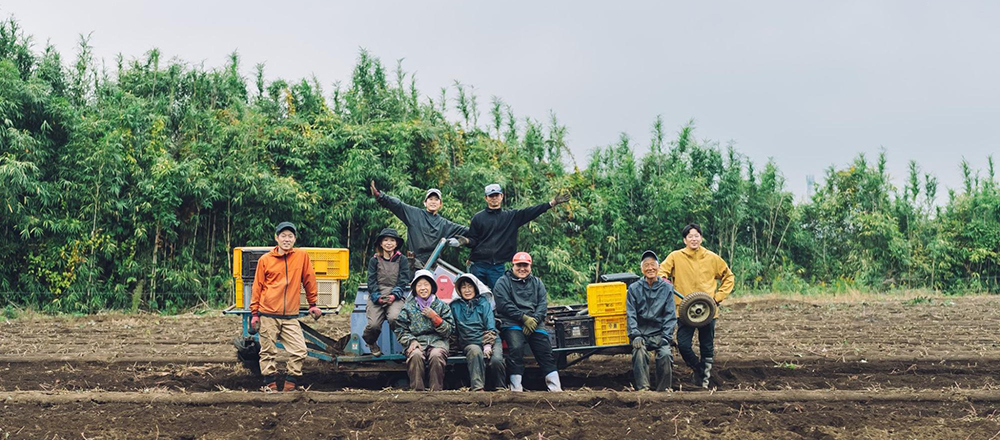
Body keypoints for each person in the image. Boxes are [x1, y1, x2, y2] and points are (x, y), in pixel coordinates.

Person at [658, 223, 734, 389]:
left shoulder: (712, 257)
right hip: (684, 311)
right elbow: (661, 272)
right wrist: (664, 280)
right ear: (685, 240)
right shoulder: (675, 256)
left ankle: (705, 380)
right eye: (690, 236)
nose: (694, 239)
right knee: (683, 344)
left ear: (701, 238)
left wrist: (718, 297)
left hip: (707, 310)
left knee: (707, 345)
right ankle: (698, 369)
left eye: (696, 235)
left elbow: (729, 277)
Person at [250, 221, 323, 392]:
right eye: (283, 236)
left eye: (290, 236)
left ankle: (290, 383)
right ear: (276, 238)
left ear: (294, 239)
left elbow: (309, 280)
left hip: (290, 316)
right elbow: (257, 287)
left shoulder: (301, 256)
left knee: (300, 350)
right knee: (268, 352)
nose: (287, 239)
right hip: (268, 313)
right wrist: (255, 313)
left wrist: (313, 304)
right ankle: (270, 385)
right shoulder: (265, 260)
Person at [465, 183, 569, 288]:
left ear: (502, 196)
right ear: (486, 198)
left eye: (496, 195)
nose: (494, 198)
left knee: (498, 294)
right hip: (478, 265)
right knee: (475, 294)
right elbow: (473, 240)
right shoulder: (478, 218)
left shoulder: (511, 217)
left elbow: (531, 212)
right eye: (491, 196)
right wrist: (466, 241)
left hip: (497, 266)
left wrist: (552, 203)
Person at [493, 252, 561, 392]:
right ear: (513, 265)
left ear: (530, 266)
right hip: (511, 322)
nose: (522, 269)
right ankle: (516, 387)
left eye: (525, 265)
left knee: (545, 350)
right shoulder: (503, 282)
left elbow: (542, 304)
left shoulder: (537, 282)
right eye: (519, 265)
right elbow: (503, 305)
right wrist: (523, 318)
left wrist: (534, 320)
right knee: (516, 348)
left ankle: (555, 387)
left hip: (535, 322)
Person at [370, 181, 469, 269]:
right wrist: (380, 196)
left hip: (435, 264)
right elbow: (398, 205)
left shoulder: (444, 224)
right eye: (430, 199)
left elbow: (466, 230)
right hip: (415, 263)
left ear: (440, 204)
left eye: (436, 199)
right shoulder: (414, 214)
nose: (433, 202)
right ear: (425, 203)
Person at [395, 269, 455, 391]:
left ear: (432, 287)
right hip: (417, 341)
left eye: (426, 284)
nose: (423, 288)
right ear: (415, 289)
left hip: (438, 341)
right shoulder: (408, 307)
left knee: (436, 356)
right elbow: (401, 329)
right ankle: (418, 392)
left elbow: (449, 330)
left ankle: (435, 392)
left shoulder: (442, 306)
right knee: (415, 355)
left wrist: (436, 318)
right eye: (419, 285)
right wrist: (411, 341)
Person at [626, 250, 677, 392]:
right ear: (642, 269)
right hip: (641, 334)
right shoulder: (634, 289)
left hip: (660, 334)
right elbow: (631, 314)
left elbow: (670, 315)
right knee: (639, 352)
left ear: (659, 267)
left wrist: (666, 337)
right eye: (646, 265)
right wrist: (635, 334)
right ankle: (643, 389)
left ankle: (664, 389)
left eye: (653, 265)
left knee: (665, 354)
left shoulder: (667, 288)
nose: (650, 268)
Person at [450, 274, 506, 391]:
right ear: (459, 290)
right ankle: (478, 389)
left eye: (470, 286)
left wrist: (488, 344)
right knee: (475, 353)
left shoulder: (484, 303)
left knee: (496, 360)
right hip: (469, 341)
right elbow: (453, 328)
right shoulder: (455, 306)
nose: (467, 290)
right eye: (463, 287)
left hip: (490, 338)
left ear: (475, 287)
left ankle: (500, 388)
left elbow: (490, 325)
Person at [363, 228, 410, 357]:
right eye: (385, 240)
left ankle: (407, 344)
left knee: (395, 318)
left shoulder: (403, 260)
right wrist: (377, 297)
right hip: (377, 295)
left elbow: (403, 280)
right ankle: (371, 342)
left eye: (392, 240)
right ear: (380, 243)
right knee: (373, 325)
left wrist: (394, 295)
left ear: (396, 244)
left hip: (396, 295)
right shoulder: (374, 260)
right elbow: (371, 281)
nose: (389, 243)